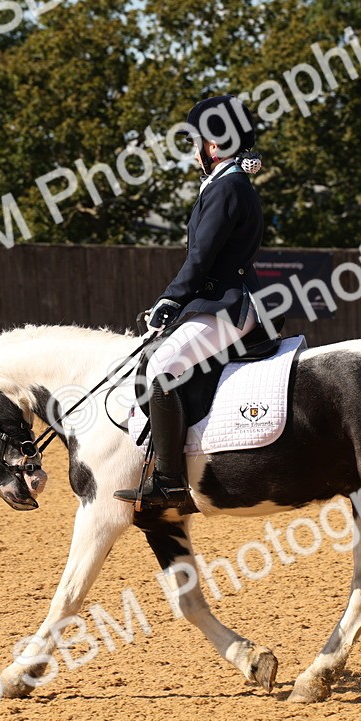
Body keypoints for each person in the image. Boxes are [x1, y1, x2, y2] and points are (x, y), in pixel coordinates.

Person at [113, 95, 264, 509]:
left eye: (196, 142)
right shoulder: (226, 183)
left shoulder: (228, 187)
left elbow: (201, 257)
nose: (194, 152)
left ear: (213, 145)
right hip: (219, 300)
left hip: (228, 304)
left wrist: (171, 298)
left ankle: (169, 481)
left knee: (163, 368)